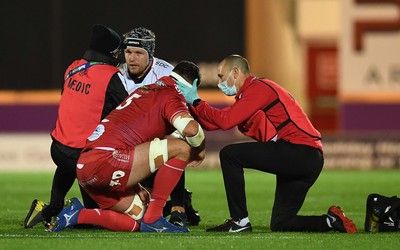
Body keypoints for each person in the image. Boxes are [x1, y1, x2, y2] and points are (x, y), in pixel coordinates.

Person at [176, 54, 358, 233]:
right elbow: (213, 123)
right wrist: (191, 104)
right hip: (305, 157)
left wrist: (196, 100)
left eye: (221, 76)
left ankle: (239, 221)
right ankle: (330, 222)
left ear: (236, 72)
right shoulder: (248, 95)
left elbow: (225, 121)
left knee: (229, 155)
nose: (219, 82)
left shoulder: (258, 88)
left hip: (300, 152)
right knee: (281, 222)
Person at [48, 61, 205, 233]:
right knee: (183, 148)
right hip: (107, 161)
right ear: (194, 84)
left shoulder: (144, 91)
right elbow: (191, 130)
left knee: (138, 220)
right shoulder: (170, 94)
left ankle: (78, 214)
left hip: (86, 166)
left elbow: (132, 140)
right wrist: (199, 150)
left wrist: (136, 187)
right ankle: (155, 219)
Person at [24, 24, 129, 228]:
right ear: (111, 52)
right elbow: (129, 110)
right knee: (97, 218)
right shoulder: (111, 76)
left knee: (69, 162)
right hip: (84, 158)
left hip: (59, 148)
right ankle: (74, 212)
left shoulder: (73, 67)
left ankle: (51, 208)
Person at [119, 27, 201, 227]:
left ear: (150, 54)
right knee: (141, 209)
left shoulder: (166, 73)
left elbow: (182, 110)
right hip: (128, 135)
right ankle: (177, 201)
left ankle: (178, 209)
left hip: (160, 132)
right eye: (128, 52)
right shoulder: (117, 73)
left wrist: (198, 144)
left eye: (139, 53)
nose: (132, 58)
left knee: (175, 144)